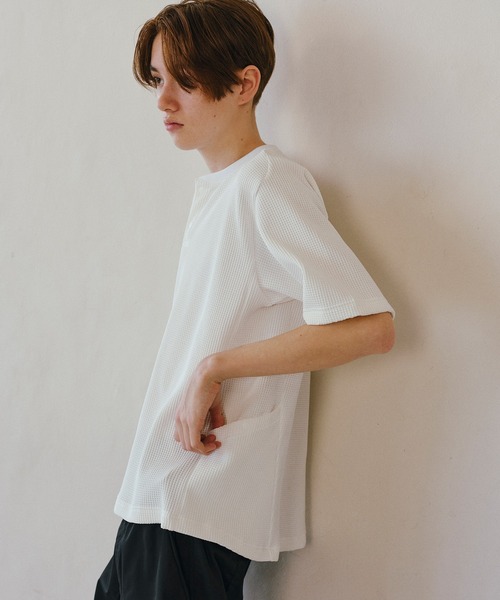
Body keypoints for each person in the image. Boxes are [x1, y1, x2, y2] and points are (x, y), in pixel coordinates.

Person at [95, 1, 395, 598]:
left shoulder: (266, 183)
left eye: (184, 81)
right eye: (158, 79)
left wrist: (215, 367)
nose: (163, 101)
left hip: (193, 503)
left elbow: (370, 326)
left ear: (243, 84)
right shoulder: (224, 190)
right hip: (160, 497)